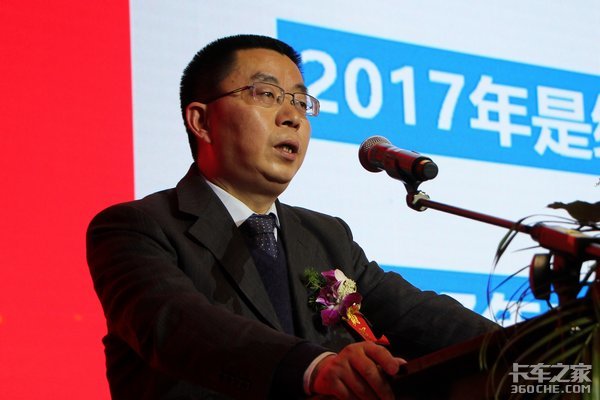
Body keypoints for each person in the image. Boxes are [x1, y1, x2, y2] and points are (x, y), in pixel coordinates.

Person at [86, 34, 497, 400]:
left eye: (301, 101)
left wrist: (524, 347)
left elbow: (416, 315)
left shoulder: (325, 236)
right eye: (266, 94)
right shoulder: (136, 228)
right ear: (202, 121)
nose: (293, 116)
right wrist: (313, 367)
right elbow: (178, 327)